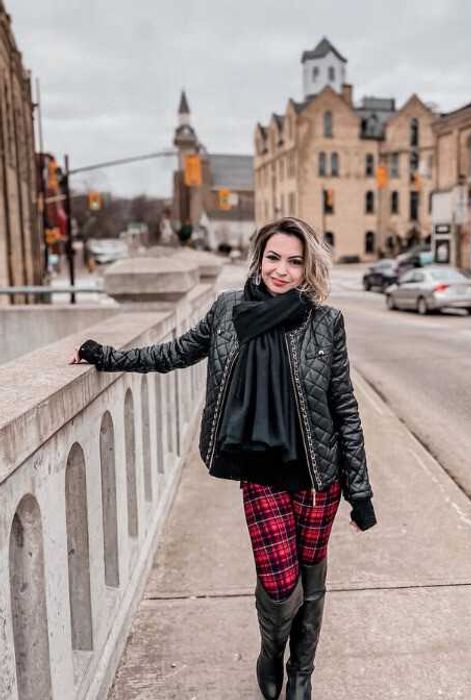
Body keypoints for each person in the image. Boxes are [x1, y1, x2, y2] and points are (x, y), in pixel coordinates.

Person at [70, 217, 376, 700]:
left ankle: (302, 672)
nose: (281, 270)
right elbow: (175, 352)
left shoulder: (326, 322)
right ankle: (270, 652)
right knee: (280, 587)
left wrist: (360, 491)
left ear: (307, 268)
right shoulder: (228, 310)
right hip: (259, 471)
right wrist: (109, 357)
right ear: (259, 258)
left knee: (312, 578)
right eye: (274, 257)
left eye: (294, 262)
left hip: (319, 475)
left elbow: (344, 407)